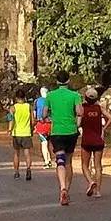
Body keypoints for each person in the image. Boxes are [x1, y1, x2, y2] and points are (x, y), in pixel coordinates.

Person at [43, 72, 83, 205]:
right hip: (71, 131)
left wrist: (49, 118)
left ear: (57, 81)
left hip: (57, 131)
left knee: (60, 160)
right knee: (69, 161)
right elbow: (79, 112)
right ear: (68, 80)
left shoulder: (50, 96)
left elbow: (43, 113)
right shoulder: (75, 95)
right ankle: (68, 190)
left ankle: (62, 188)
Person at [80, 87, 111, 198]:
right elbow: (110, 118)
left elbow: (78, 123)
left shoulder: (83, 109)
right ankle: (98, 191)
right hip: (98, 140)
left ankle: (90, 181)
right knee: (98, 166)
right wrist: (103, 129)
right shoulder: (99, 108)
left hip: (86, 140)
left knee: (85, 165)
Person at [9, 88, 34, 180]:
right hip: (26, 132)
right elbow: (33, 120)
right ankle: (28, 169)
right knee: (27, 153)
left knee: (16, 153)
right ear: (24, 97)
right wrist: (31, 128)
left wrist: (9, 129)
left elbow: (11, 120)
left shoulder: (13, 108)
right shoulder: (28, 106)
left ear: (16, 98)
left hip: (16, 132)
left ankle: (16, 172)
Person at [34, 87, 53, 168]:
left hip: (41, 124)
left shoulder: (37, 101)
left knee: (44, 143)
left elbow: (34, 114)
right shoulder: (51, 100)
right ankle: (50, 159)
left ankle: (47, 161)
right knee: (49, 143)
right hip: (50, 124)